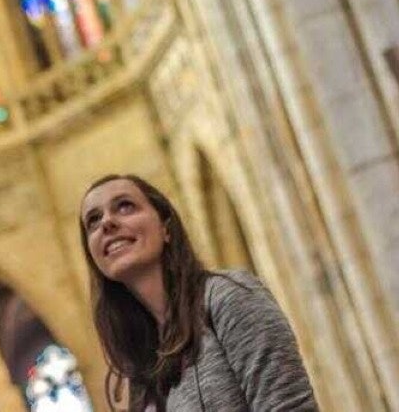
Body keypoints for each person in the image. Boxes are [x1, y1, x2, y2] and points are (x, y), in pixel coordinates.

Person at [78, 174, 317, 412]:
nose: (107, 223)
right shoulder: (142, 370)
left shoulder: (227, 296)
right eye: (93, 220)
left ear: (166, 228)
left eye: (125, 206)